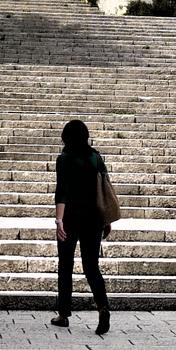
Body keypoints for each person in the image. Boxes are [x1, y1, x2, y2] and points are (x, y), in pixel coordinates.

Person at [52, 119, 111, 335]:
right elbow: (103, 190)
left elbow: (62, 191)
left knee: (65, 265)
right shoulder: (95, 158)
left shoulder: (64, 159)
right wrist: (106, 219)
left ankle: (63, 314)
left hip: (70, 219)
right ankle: (103, 306)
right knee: (91, 266)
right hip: (93, 219)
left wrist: (59, 221)